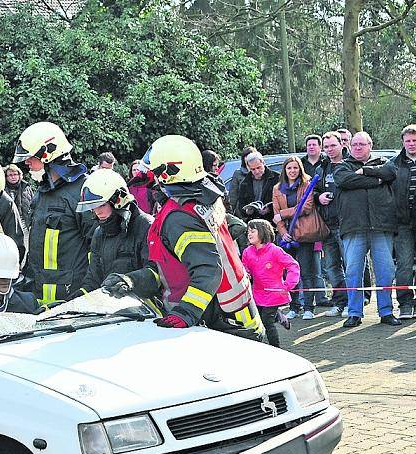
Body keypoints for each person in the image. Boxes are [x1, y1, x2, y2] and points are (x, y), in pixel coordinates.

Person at [103, 135, 264, 342]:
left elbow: (208, 270)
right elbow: (169, 269)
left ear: (166, 174)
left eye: (153, 172)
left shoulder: (178, 216)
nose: (146, 176)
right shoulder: (201, 200)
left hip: (216, 325)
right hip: (237, 316)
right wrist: (132, 280)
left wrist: (185, 313)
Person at [13, 122, 97, 306]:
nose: (26, 163)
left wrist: (87, 293)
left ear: (47, 155)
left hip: (71, 299)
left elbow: (98, 248)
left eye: (30, 157)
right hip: (39, 295)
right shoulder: (42, 192)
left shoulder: (84, 191)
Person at [334, 131, 401, 327]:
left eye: (361, 144)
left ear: (370, 145)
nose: (357, 148)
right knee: (353, 270)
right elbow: (344, 181)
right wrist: (377, 180)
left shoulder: (385, 162)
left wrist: (365, 172)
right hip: (353, 227)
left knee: (386, 270)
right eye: (354, 145)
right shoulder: (342, 167)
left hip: (381, 226)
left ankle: (386, 311)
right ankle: (354, 313)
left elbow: (391, 173)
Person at [364, 124, 416, 319]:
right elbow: (378, 174)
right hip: (402, 222)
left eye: (414, 140)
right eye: (407, 141)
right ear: (403, 142)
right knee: (404, 264)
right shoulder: (394, 163)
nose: (411, 144)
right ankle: (405, 303)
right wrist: (363, 171)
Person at [77, 169, 153, 294]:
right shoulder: (99, 233)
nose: (97, 212)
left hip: (144, 308)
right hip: (110, 308)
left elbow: (158, 273)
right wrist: (72, 301)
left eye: (101, 205)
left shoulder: (146, 226)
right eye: (93, 207)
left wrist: (130, 281)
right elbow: (93, 280)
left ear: (119, 200)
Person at [272, 156, 324, 320]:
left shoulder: (307, 184)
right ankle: (294, 306)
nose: (292, 171)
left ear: (299, 169)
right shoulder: (277, 188)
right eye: (289, 168)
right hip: (287, 236)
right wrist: (282, 232)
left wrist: (283, 214)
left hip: (304, 235)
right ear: (284, 170)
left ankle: (309, 307)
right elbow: (276, 215)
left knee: (306, 271)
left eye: (295, 168)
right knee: (290, 273)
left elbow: (306, 207)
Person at [242, 219, 300, 347]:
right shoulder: (247, 252)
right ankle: (280, 316)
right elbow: (244, 267)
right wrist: (245, 273)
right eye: (248, 232)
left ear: (263, 232)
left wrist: (288, 284)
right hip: (257, 293)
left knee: (266, 322)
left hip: (274, 294)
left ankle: (276, 348)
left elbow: (292, 265)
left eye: (253, 231)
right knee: (257, 320)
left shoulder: (275, 250)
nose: (249, 234)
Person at [315, 131, 348, 317]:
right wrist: (319, 197)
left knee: (350, 265)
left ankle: (354, 302)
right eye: (326, 147)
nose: (329, 150)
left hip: (347, 225)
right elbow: (312, 193)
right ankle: (339, 302)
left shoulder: (350, 164)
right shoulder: (321, 168)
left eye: (332, 146)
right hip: (327, 226)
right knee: (332, 267)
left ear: (341, 144)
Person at [229, 150, 279, 222]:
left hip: (272, 221)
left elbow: (282, 200)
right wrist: (246, 211)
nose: (256, 171)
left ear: (263, 163)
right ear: (248, 168)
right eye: (253, 169)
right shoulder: (245, 183)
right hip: (253, 221)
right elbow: (241, 205)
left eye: (259, 168)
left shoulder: (276, 178)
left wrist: (270, 208)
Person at [4, 163, 34, 230]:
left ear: (19, 175)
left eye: (15, 174)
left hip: (25, 225)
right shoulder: (2, 189)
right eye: (10, 175)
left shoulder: (26, 187)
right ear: (6, 177)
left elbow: (33, 205)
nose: (13, 177)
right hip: (7, 226)